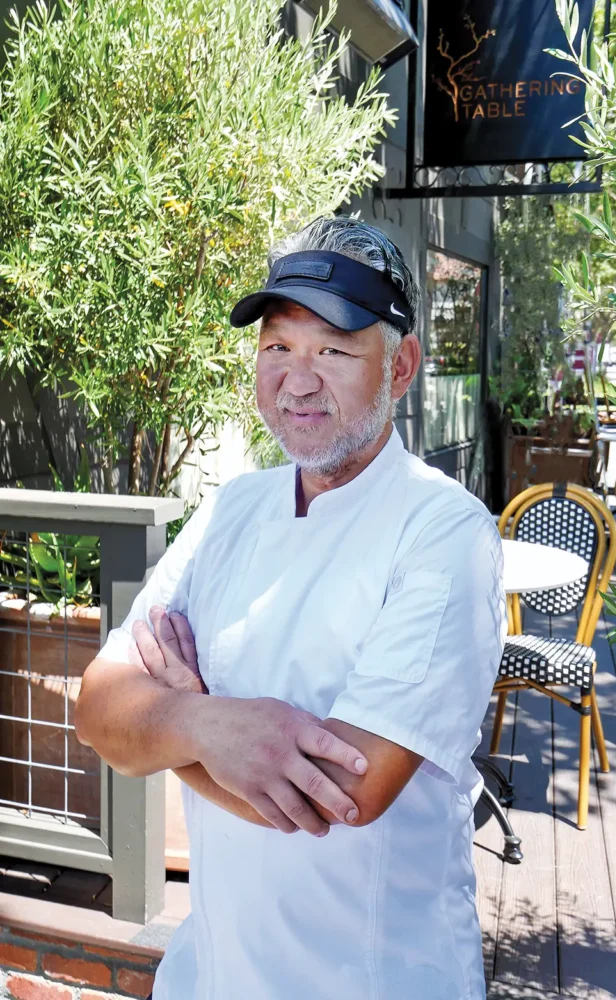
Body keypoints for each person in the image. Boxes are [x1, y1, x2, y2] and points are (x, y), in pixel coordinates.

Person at [75, 215, 507, 1000]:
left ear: (401, 364)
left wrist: (168, 715)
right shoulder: (231, 508)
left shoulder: (445, 533)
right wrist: (209, 725)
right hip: (210, 975)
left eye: (334, 351)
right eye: (278, 347)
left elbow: (339, 796)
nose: (297, 380)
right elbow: (99, 709)